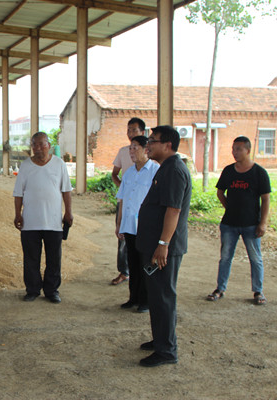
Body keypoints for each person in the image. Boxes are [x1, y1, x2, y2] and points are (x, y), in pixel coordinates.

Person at [136, 126, 191, 367]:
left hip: (164, 248)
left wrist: (163, 244)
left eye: (153, 141)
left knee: (163, 297)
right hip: (155, 244)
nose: (148, 145)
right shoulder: (165, 168)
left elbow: (174, 210)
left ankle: (167, 350)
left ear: (168, 145)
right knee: (157, 296)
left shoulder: (174, 170)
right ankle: (161, 339)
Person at [206, 136, 271, 305]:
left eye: (238, 149)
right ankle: (220, 288)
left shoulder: (259, 173)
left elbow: (265, 200)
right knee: (225, 257)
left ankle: (258, 291)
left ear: (248, 150)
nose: (234, 152)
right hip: (229, 224)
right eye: (233, 149)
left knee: (255, 258)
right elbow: (220, 192)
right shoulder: (228, 171)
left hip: (252, 224)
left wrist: (263, 223)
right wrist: (229, 207)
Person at [13, 132, 73, 303]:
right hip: (30, 222)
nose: (38, 148)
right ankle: (32, 290)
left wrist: (68, 212)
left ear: (49, 145)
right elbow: (18, 193)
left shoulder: (59, 164)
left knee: (54, 259)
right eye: (34, 145)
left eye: (41, 144)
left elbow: (66, 190)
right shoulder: (25, 166)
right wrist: (17, 214)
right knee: (31, 259)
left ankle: (52, 290)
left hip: (53, 222)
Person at [115, 136, 159, 313]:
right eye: (130, 148)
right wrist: (119, 224)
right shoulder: (129, 173)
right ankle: (133, 298)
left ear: (146, 149)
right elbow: (122, 199)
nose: (131, 152)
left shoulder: (155, 171)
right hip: (129, 226)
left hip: (146, 227)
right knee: (132, 263)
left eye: (135, 148)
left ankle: (145, 301)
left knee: (145, 264)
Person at [111, 117, 146, 285]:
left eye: (134, 130)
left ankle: (141, 273)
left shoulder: (151, 162)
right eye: (128, 130)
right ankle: (124, 271)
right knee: (123, 238)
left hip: (141, 205)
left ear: (142, 132)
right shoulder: (123, 152)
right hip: (125, 202)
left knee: (142, 239)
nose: (130, 133)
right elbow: (114, 174)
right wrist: (124, 189)